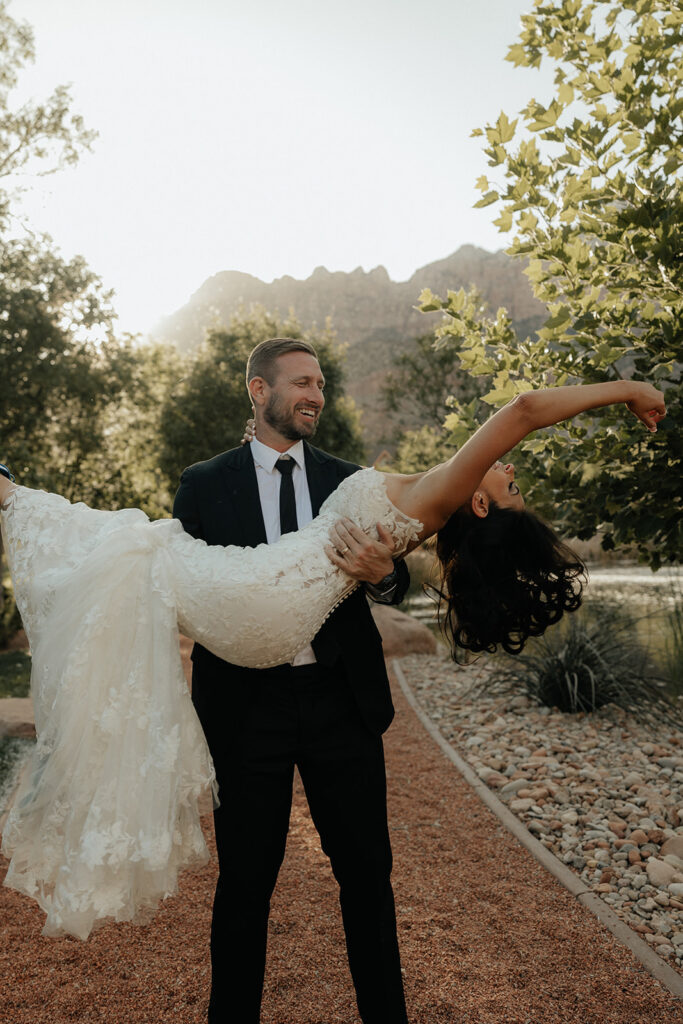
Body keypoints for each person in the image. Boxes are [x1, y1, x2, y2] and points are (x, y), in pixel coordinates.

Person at [0, 373, 665, 967]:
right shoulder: (414, 498)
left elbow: (522, 410)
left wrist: (626, 390)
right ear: (260, 390)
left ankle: (7, 493)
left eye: (508, 483)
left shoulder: (439, 493)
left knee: (131, 550)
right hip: (267, 619)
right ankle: (8, 495)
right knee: (133, 553)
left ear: (482, 506)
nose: (506, 467)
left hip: (272, 607)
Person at [172, 337, 412, 1024]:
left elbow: (398, 576)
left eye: (321, 384)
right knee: (245, 884)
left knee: (367, 878)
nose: (316, 394)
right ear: (258, 390)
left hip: (341, 701)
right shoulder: (202, 483)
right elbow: (184, 584)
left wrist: (383, 575)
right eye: (302, 382)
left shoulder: (349, 479)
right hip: (245, 709)